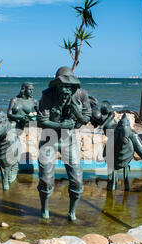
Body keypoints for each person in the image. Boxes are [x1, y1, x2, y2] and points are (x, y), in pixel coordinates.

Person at [37, 66, 92, 221]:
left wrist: (77, 112)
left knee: (77, 179)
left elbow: (87, 117)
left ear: (73, 86)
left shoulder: (81, 95)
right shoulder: (47, 96)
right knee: (46, 179)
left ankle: (71, 212)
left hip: (69, 140)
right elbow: (41, 121)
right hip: (49, 139)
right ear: (56, 86)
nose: (66, 90)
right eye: (62, 86)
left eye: (69, 87)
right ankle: (44, 209)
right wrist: (61, 125)